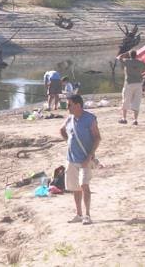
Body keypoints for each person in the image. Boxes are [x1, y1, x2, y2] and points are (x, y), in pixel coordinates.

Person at [59, 94, 101, 225]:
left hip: (85, 159)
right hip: (71, 159)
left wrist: (89, 156)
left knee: (84, 186)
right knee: (75, 188)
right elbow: (61, 130)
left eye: (69, 105)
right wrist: (69, 141)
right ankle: (78, 214)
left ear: (77, 105)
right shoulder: (70, 119)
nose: (67, 108)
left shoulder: (90, 119)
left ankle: (87, 215)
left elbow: (97, 138)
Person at [117, 50, 145, 125]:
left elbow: (119, 57)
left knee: (126, 100)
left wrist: (125, 53)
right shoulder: (140, 62)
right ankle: (135, 120)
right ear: (136, 55)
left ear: (130, 55)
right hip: (138, 84)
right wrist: (144, 75)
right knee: (137, 101)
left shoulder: (127, 61)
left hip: (129, 83)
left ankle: (124, 119)